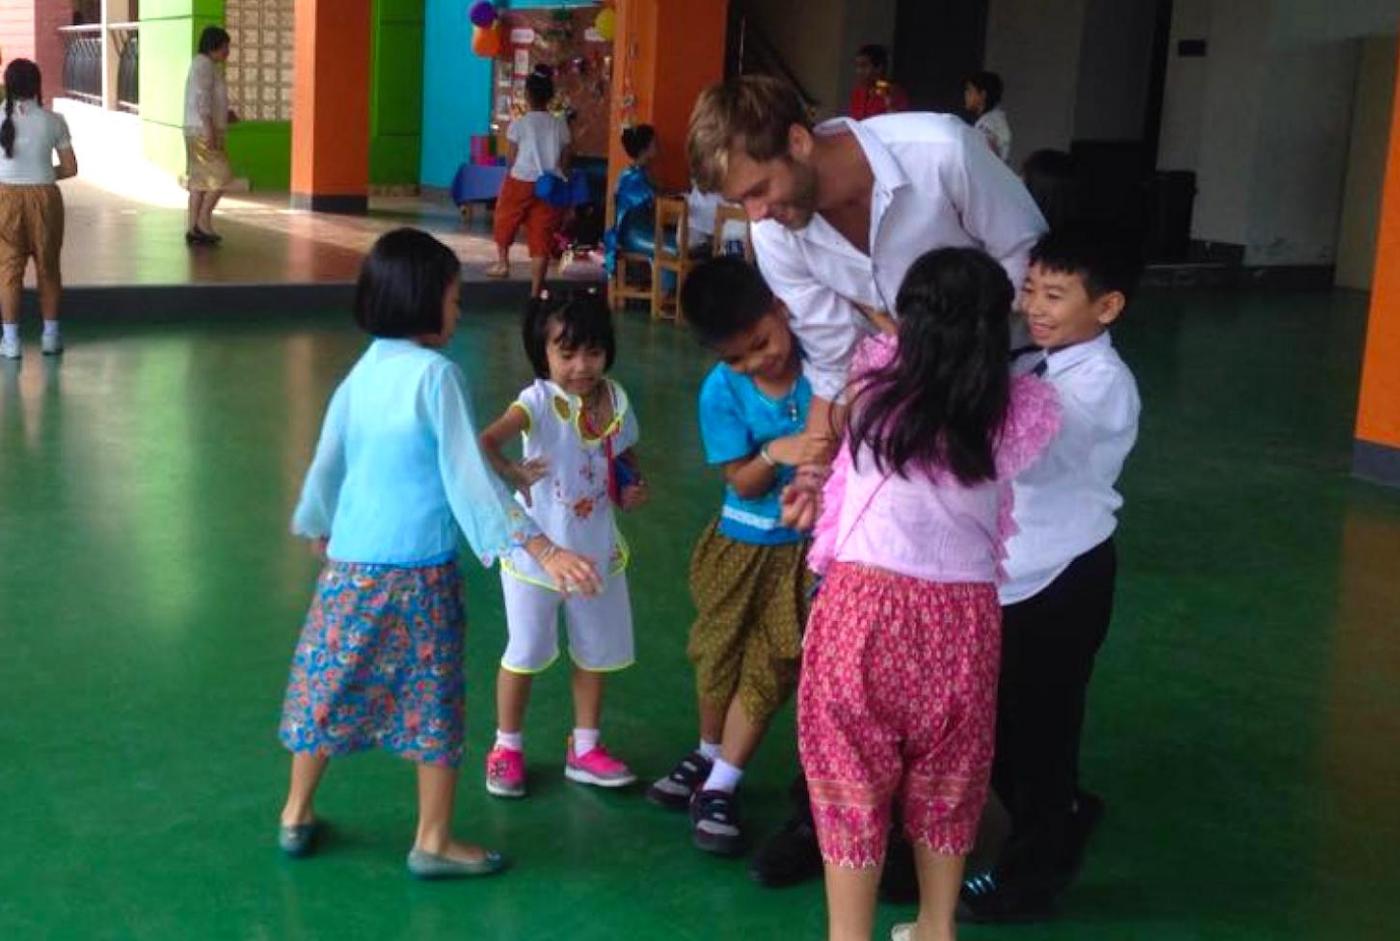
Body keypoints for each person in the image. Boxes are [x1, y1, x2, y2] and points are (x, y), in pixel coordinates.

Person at [276, 228, 601, 879]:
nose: (459, 311)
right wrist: (539, 545)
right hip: (419, 572)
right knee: (434, 697)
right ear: (424, 302)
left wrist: (321, 523)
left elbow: (329, 460)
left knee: (328, 682)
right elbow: (463, 475)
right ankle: (432, 839)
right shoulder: (437, 376)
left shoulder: (361, 372)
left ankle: (295, 811)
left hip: (351, 569)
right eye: (454, 299)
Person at [782, 247, 1059, 941]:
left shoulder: (877, 393)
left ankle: (850, 935)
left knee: (849, 777)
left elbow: (881, 363)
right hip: (963, 617)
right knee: (951, 775)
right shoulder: (1013, 413)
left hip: (863, 608)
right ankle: (937, 925)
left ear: (910, 326)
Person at [688, 75, 1046, 456]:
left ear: (798, 141)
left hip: (1022, 377)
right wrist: (812, 470)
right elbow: (833, 357)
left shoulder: (942, 154)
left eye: (758, 191)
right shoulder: (774, 236)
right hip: (919, 403)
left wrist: (944, 343)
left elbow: (1029, 259)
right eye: (741, 200)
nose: (755, 214)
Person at [959, 228, 1142, 923]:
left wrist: (959, 384)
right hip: (1013, 568)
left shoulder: (1101, 385)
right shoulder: (1034, 355)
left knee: (1039, 725)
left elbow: (1030, 446)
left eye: (1056, 295)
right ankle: (1059, 808)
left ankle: (1034, 870)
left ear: (1108, 306)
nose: (1035, 305)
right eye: (1030, 289)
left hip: (1063, 574)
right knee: (1005, 719)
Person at [645, 257, 820, 856]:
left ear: (782, 307)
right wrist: (779, 451)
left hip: (806, 553)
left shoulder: (825, 368)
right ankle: (707, 750)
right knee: (717, 650)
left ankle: (721, 783)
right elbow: (741, 482)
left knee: (776, 661)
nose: (755, 362)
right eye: (736, 357)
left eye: (762, 343)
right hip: (741, 544)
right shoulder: (720, 391)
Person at [478, 288, 648, 799]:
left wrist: (632, 487)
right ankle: (506, 746)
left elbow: (625, 456)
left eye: (592, 352)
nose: (581, 366)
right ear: (543, 353)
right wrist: (512, 470)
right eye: (566, 353)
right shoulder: (536, 403)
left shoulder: (615, 399)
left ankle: (586, 747)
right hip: (536, 557)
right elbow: (484, 442)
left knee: (595, 652)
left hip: (595, 553)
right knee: (525, 650)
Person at [0, 59, 76, 361]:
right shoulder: (54, 121)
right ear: (36, 85)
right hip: (46, 198)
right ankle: (50, 338)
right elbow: (70, 168)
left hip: (4, 198)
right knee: (48, 269)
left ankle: (11, 342)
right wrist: (42, 175)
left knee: (7, 272)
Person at [488, 71, 572, 298]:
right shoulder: (560, 125)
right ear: (550, 96)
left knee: (505, 216)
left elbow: (511, 158)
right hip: (549, 185)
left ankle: (503, 263)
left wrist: (512, 174)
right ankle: (536, 290)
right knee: (541, 234)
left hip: (520, 180)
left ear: (527, 95)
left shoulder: (519, 124)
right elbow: (565, 160)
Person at [183, 26, 233, 246]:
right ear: (214, 45)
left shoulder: (205, 65)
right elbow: (201, 97)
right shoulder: (204, 65)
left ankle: (194, 227)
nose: (227, 51)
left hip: (197, 129)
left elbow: (209, 98)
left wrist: (225, 115)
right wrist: (209, 128)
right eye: (225, 46)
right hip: (203, 131)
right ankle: (203, 222)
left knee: (199, 181)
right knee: (222, 176)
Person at [602, 124, 657, 276]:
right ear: (644, 148)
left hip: (643, 230)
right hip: (633, 234)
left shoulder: (641, 173)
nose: (657, 146)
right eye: (653, 142)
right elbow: (654, 201)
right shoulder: (633, 178)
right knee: (674, 248)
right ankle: (665, 293)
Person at [848, 44, 909, 121]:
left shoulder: (893, 91)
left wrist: (888, 100)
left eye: (864, 66)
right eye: (857, 66)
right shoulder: (858, 92)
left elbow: (896, 122)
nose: (859, 71)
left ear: (879, 68)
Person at [965, 71, 1012, 165]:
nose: (966, 95)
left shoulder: (988, 123)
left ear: (982, 95)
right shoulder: (995, 119)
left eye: (970, 91)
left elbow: (989, 156)